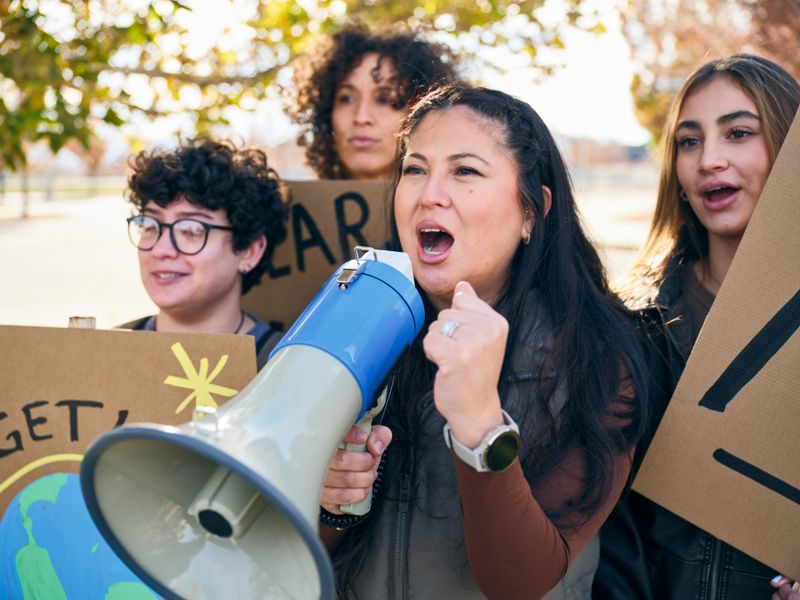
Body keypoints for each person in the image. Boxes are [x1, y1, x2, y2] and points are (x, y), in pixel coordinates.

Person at [317, 85, 649, 599]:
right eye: (415, 168)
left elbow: (521, 583)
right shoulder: (350, 326)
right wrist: (331, 505)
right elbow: (289, 546)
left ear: (531, 212)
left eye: (465, 171)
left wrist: (481, 427)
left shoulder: (598, 363)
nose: (430, 193)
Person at [593, 54, 800, 600]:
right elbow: (606, 534)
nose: (710, 159)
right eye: (689, 141)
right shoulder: (628, 326)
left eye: (738, 133)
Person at [120, 138, 289, 368]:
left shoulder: (285, 370)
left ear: (248, 250)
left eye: (190, 230)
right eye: (150, 225)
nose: (161, 250)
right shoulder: (106, 353)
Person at [287, 22, 459, 180]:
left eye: (384, 99)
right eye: (346, 99)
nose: (361, 117)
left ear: (421, 110)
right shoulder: (288, 209)